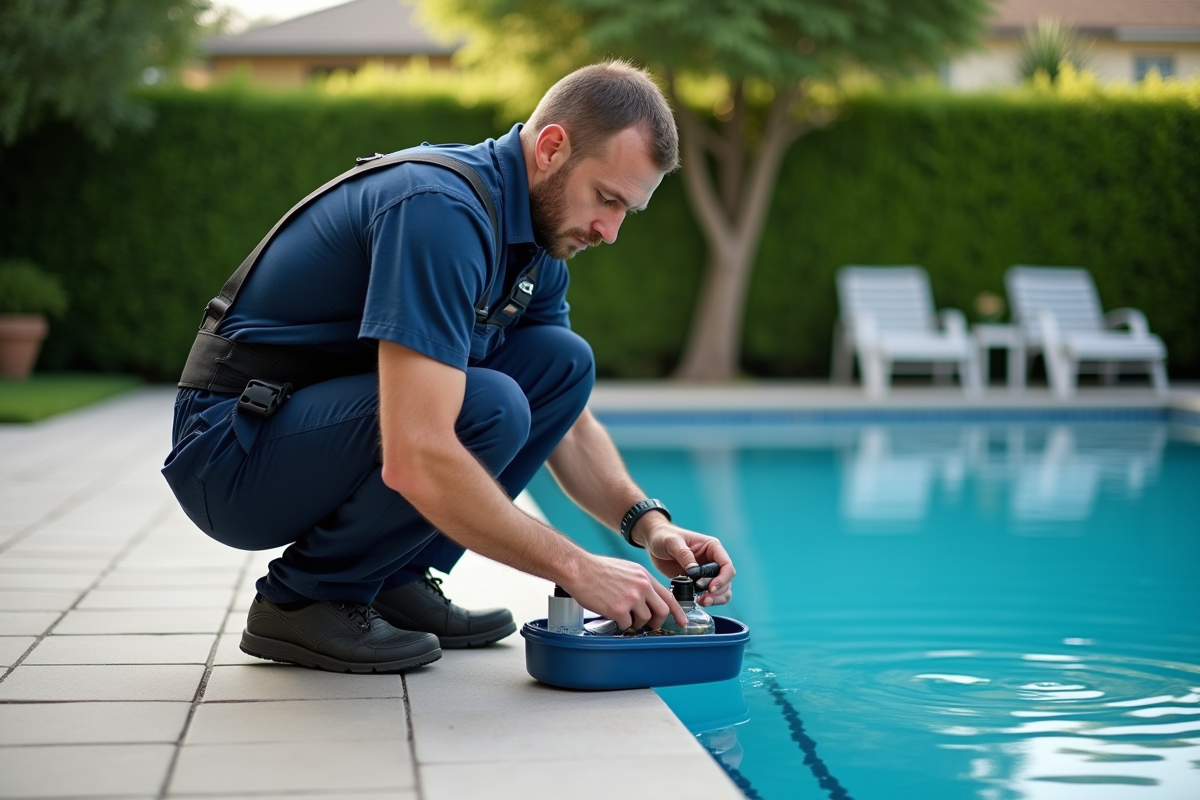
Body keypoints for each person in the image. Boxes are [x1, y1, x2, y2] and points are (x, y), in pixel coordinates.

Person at [162, 61, 737, 674]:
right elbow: (417, 451)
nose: (611, 231)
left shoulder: (533, 248)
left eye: (628, 211)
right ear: (550, 148)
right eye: (606, 198)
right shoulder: (439, 211)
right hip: (230, 456)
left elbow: (568, 424)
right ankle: (304, 600)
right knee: (489, 403)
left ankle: (392, 578)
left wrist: (648, 526)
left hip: (305, 433)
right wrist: (578, 567)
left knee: (562, 363)